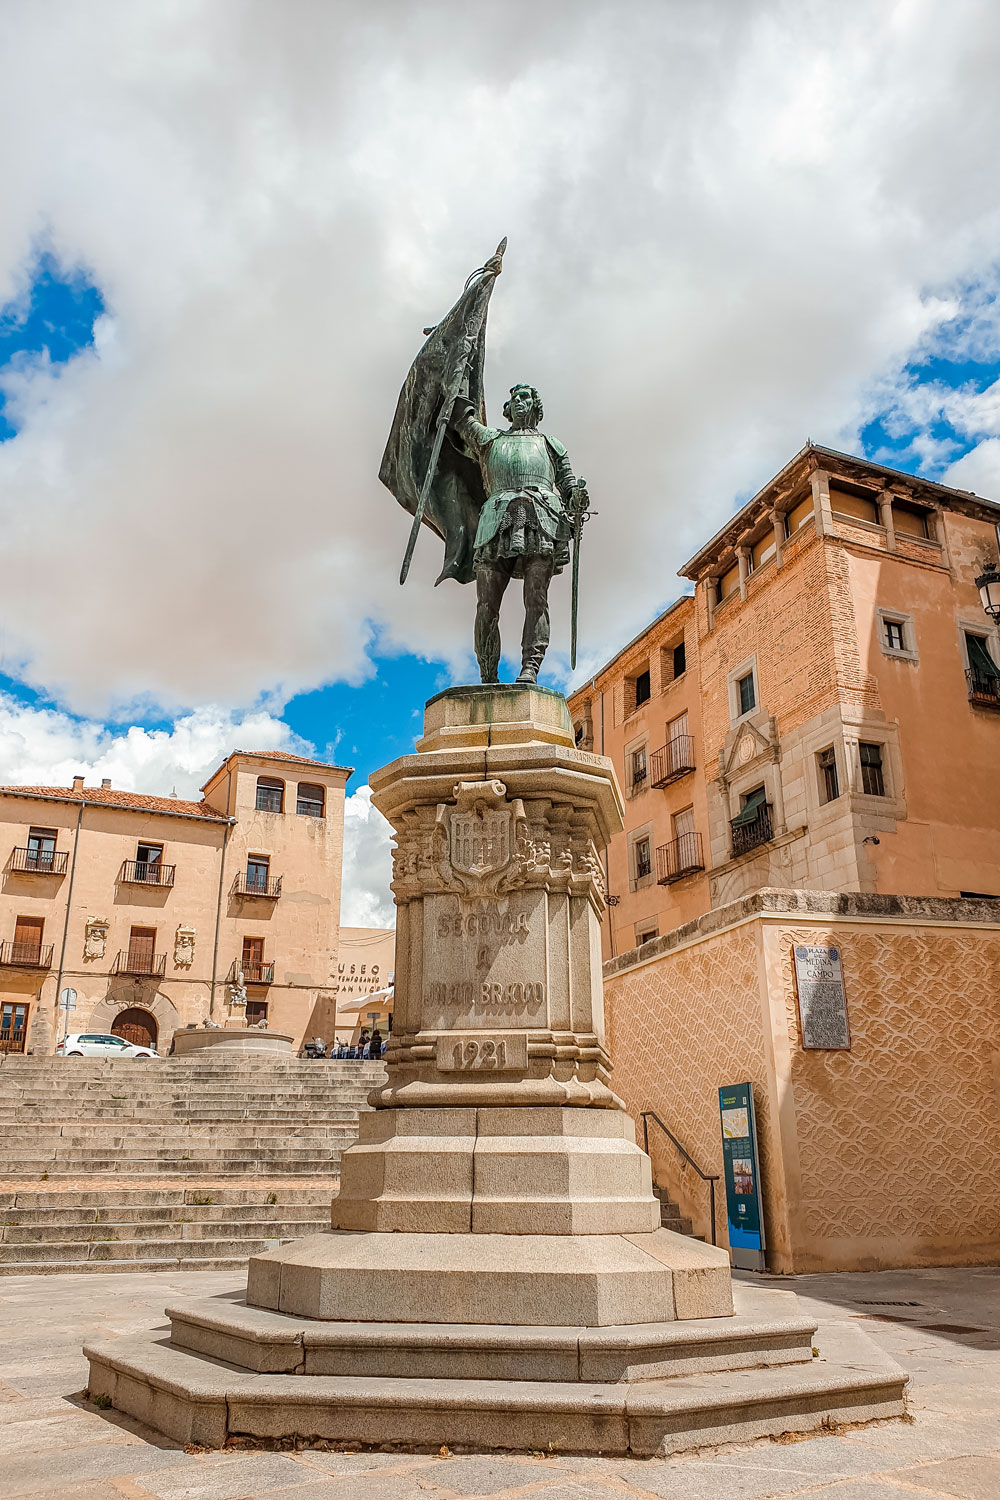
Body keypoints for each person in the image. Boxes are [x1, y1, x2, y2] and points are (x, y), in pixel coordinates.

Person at [450, 383, 584, 684]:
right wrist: (457, 358)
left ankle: (530, 668)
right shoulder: (489, 438)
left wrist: (577, 499)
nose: (520, 402)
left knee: (536, 598)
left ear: (536, 407)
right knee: (486, 604)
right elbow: (459, 417)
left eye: (526, 398)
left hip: (542, 517)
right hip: (496, 519)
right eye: (515, 398)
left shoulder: (552, 445)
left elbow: (568, 483)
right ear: (508, 409)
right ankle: (488, 673)